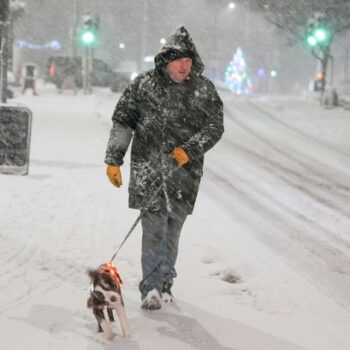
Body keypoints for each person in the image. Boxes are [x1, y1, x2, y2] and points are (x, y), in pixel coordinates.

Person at [105, 25, 224, 310]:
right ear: (166, 61)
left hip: (184, 175)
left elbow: (215, 126)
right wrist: (113, 159)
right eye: (178, 59)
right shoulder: (143, 86)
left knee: (172, 232)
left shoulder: (203, 90)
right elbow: (123, 122)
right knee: (154, 229)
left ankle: (166, 283)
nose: (184, 65)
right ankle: (151, 288)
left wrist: (190, 149)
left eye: (188, 59)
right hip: (149, 171)